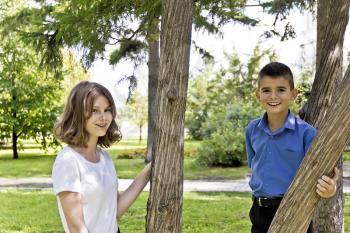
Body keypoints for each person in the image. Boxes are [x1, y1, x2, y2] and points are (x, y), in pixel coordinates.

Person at [245, 62, 339, 233]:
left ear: (293, 94)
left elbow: (325, 174)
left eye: (281, 89)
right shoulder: (252, 129)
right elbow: (254, 163)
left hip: (294, 209)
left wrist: (330, 188)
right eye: (266, 90)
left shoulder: (307, 133)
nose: (273, 96)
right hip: (259, 211)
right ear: (258, 95)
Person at [52, 81, 151, 233]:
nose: (103, 117)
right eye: (95, 110)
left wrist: (151, 168)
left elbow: (114, 210)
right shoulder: (68, 161)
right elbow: (76, 227)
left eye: (107, 110)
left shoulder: (104, 158)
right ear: (77, 113)